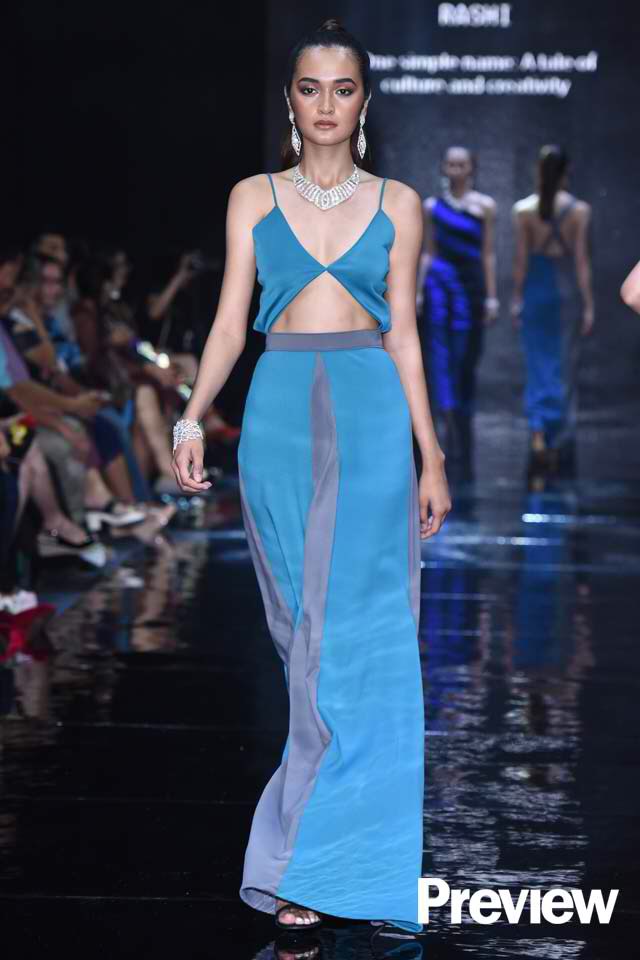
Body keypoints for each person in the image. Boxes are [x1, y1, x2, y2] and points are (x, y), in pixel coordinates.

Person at [171, 18, 451, 938]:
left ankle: (321, 867)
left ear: (364, 102)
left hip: (371, 413)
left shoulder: (400, 203)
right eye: (309, 87)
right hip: (279, 415)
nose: (325, 104)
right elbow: (228, 324)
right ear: (290, 99)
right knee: (301, 640)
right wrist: (190, 415)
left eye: (343, 88)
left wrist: (432, 454)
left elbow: (404, 334)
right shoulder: (251, 197)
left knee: (363, 641)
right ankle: (319, 850)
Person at [511, 145, 594, 470]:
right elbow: (582, 262)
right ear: (566, 172)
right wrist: (588, 304)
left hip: (536, 290)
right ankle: (557, 434)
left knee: (537, 364)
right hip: (564, 291)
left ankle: (538, 430)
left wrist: (517, 298)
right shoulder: (579, 210)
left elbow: (521, 262)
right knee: (561, 365)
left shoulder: (523, 210)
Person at [416, 146, 497, 460]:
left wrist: (491, 297)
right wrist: (419, 291)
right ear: (443, 167)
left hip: (470, 286)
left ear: (471, 168)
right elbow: (428, 251)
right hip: (438, 284)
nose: (456, 169)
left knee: (465, 354)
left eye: (461, 164)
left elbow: (488, 253)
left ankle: (460, 411)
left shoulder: (485, 206)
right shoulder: (431, 206)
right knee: (439, 351)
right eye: (450, 164)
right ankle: (446, 414)